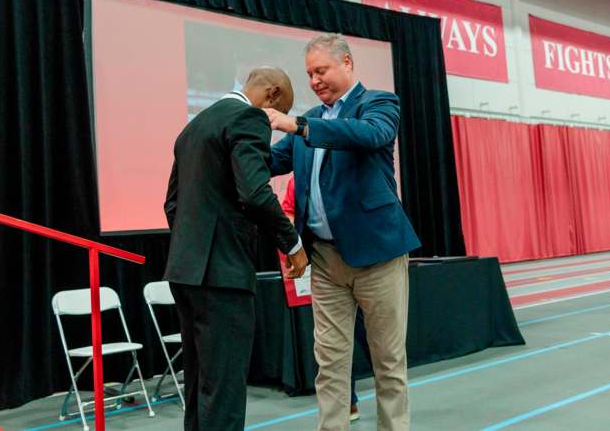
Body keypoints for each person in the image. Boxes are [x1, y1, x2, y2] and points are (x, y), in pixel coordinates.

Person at [266, 33, 421, 431]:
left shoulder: (379, 104)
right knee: (330, 362)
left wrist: (298, 125)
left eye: (322, 70)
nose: (315, 80)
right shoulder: (310, 122)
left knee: (388, 361)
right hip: (325, 261)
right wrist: (231, 135)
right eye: (309, 74)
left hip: (379, 256)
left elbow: (368, 135)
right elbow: (270, 160)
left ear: (347, 63)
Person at [164, 67, 309, 431]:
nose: (274, 122)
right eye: (280, 111)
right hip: (223, 273)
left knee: (199, 385)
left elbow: (172, 205)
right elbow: (256, 193)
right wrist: (292, 245)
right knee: (225, 391)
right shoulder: (248, 118)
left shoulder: (194, 127)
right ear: (272, 95)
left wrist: (195, 246)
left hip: (185, 271)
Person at [281, 176, 373, 423]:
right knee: (335, 344)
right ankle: (349, 402)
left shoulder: (348, 164)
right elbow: (288, 211)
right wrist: (294, 244)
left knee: (372, 340)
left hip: (364, 262)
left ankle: (386, 385)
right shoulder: (298, 179)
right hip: (326, 265)